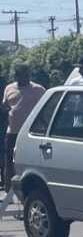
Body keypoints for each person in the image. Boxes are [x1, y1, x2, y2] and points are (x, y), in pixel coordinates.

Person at [2, 63, 47, 191]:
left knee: (31, 161)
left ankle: (32, 188)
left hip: (32, 133)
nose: (24, 77)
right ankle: (8, 189)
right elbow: (5, 105)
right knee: (10, 161)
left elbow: (45, 109)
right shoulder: (9, 88)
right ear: (16, 75)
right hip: (13, 132)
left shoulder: (38, 90)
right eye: (20, 74)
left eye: (26, 74)